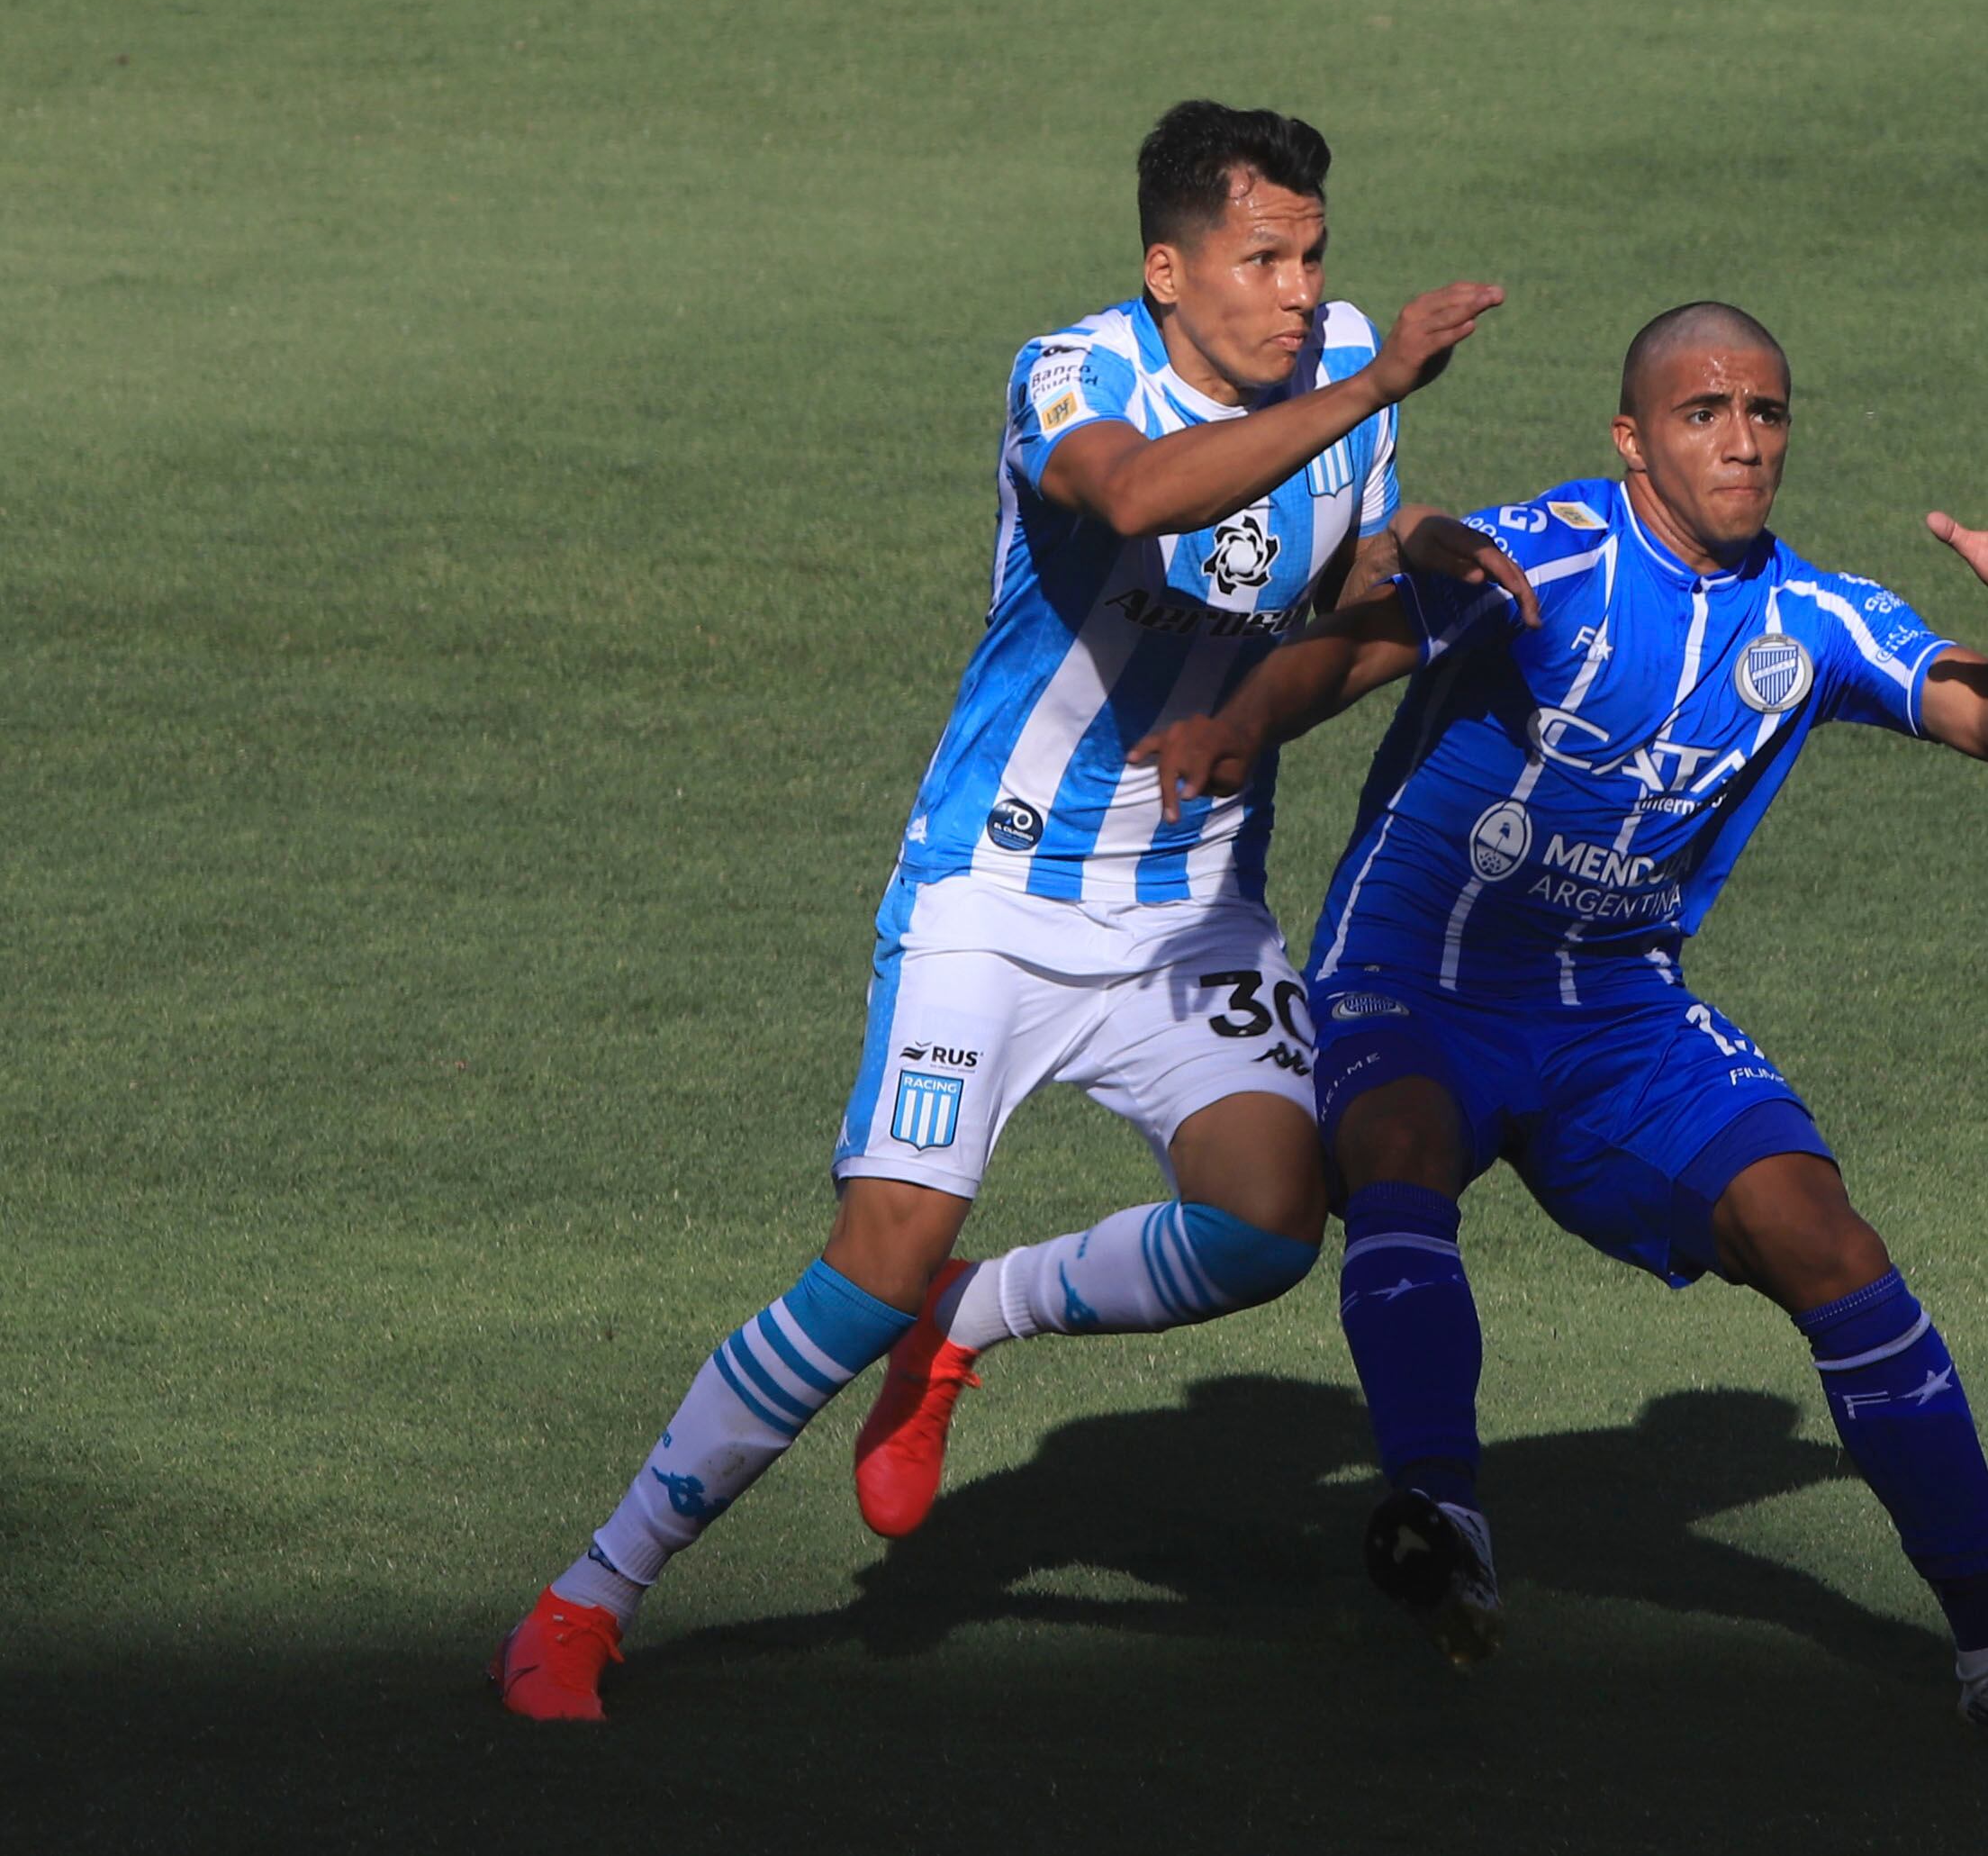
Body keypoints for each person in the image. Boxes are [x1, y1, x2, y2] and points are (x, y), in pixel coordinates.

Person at [490, 100, 1508, 1721]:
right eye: (1262, 258)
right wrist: (1371, 393)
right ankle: (586, 1599)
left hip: (1191, 907)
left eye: (1315, 256)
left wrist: (1422, 553)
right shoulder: (1073, 375)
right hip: (997, 896)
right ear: (1167, 271)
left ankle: (969, 1321)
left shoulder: (1349, 366)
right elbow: (1141, 501)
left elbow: (1343, 582)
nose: (1301, 292)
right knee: (873, 1255)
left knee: (1266, 1222)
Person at [1132, 302, 1988, 1747]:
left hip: (1616, 1014)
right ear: (1633, 438)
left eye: (1767, 414)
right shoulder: (1548, 552)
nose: (1741, 440)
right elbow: (1359, 649)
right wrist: (1237, 730)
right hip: (1414, 976)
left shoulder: (1816, 619)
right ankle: (1446, 1519)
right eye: (1704, 412)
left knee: (1827, 1241)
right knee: (1400, 1151)